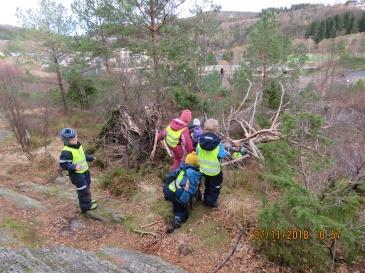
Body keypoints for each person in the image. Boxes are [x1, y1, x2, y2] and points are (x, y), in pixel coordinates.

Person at [59, 128, 98, 213]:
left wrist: (91, 158)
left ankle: (88, 201)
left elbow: (83, 156)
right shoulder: (66, 152)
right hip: (77, 175)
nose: (76, 140)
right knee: (82, 189)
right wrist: (74, 167)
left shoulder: (78, 145)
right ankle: (85, 207)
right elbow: (63, 164)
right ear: (67, 141)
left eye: (76, 137)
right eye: (73, 139)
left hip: (85, 171)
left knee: (87, 186)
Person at [163, 152, 202, 233]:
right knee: (181, 210)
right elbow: (191, 190)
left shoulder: (181, 167)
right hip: (178, 194)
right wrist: (184, 201)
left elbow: (169, 177)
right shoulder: (194, 173)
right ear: (196, 164)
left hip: (169, 190)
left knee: (174, 200)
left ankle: (169, 199)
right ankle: (177, 220)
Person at [196, 119, 228, 207]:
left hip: (203, 170)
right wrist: (226, 152)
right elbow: (223, 155)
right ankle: (210, 202)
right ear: (216, 130)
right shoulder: (218, 144)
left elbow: (197, 153)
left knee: (207, 183)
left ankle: (205, 196)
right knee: (214, 187)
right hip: (215, 171)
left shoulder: (199, 142)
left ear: (204, 128)